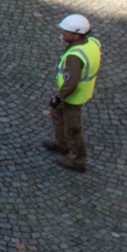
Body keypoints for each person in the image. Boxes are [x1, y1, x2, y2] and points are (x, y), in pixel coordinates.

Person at [44, 14, 101, 172]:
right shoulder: (93, 43)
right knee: (57, 115)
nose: (62, 33)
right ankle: (61, 143)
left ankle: (78, 161)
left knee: (73, 129)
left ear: (76, 35)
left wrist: (59, 97)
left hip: (72, 98)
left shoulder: (74, 57)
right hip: (74, 95)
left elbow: (71, 83)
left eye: (66, 32)